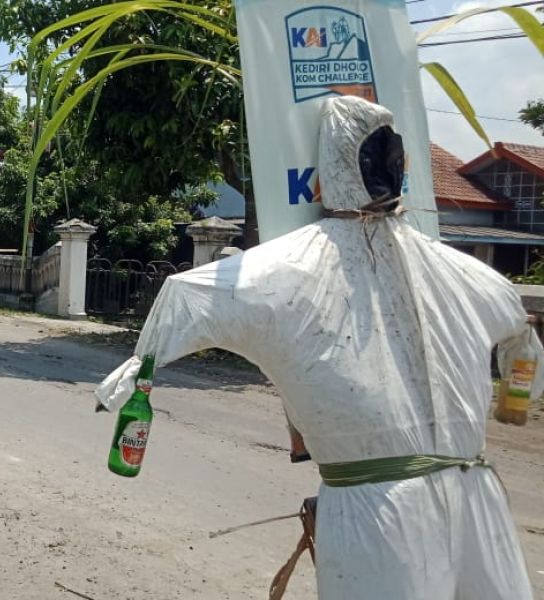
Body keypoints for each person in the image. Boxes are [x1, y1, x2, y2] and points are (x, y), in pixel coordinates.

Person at [95, 96, 540, 599]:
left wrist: (135, 375)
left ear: (323, 177)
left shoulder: (286, 266)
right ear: (402, 170)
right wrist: (517, 398)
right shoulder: (470, 275)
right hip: (477, 497)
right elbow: (522, 339)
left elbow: (185, 295)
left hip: (378, 516)